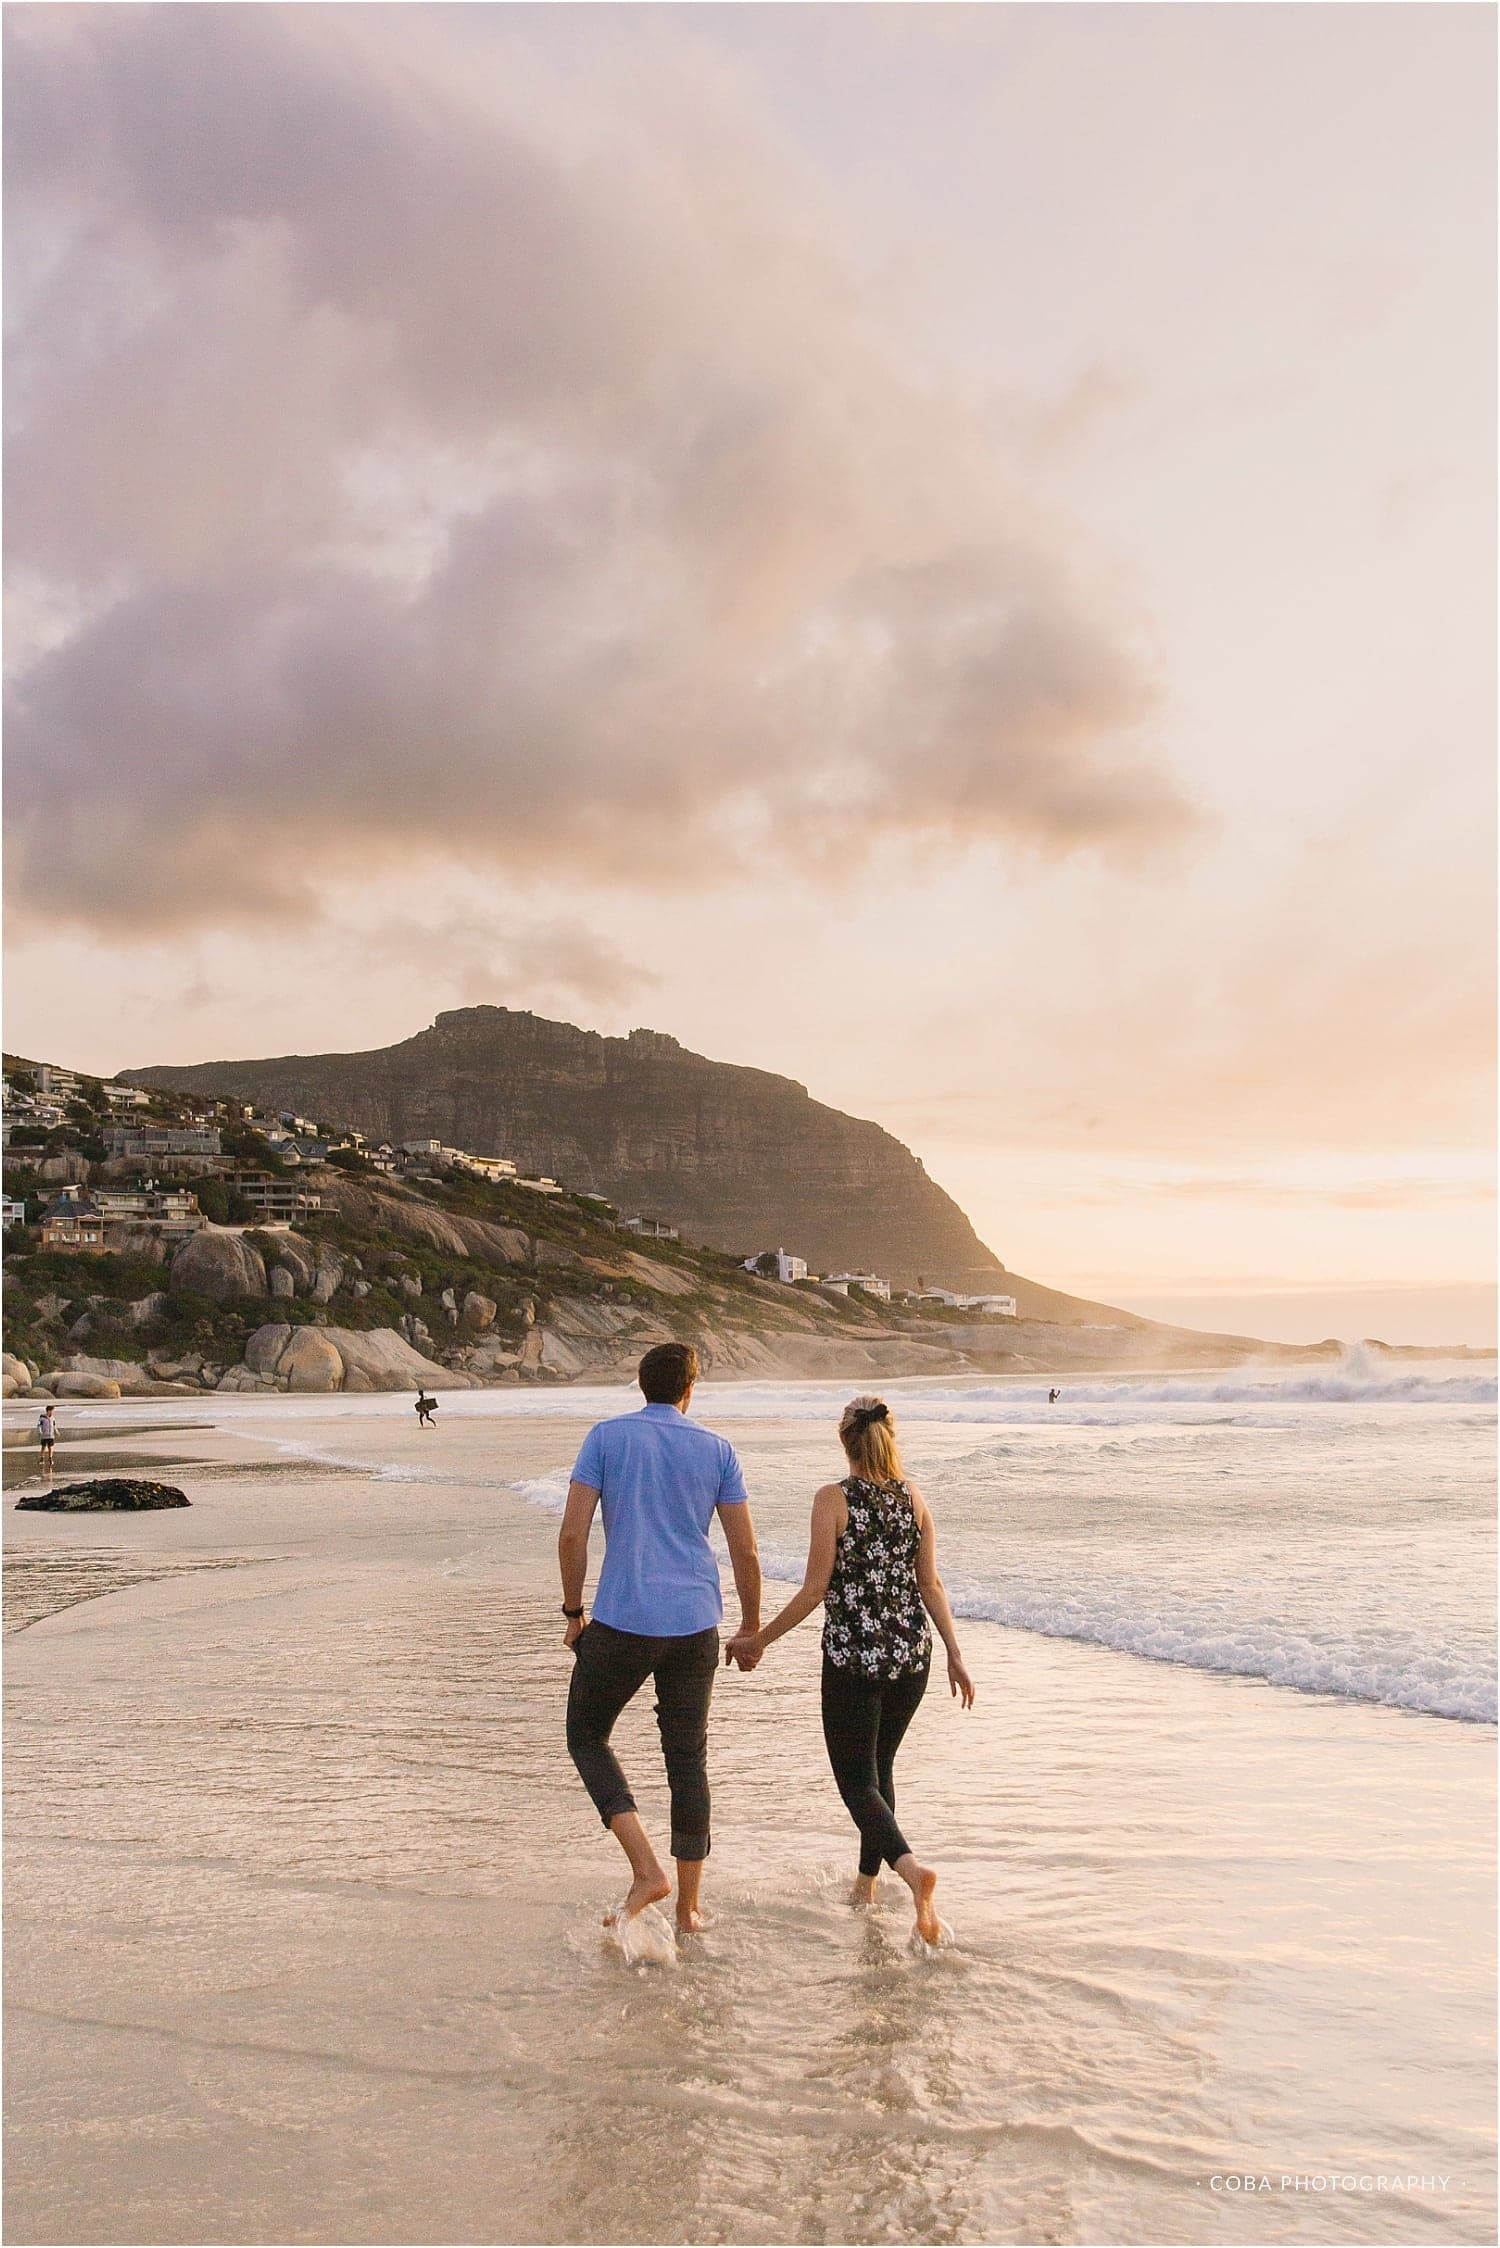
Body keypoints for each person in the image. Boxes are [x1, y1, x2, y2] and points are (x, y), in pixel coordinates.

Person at [725, 1394, 974, 1947]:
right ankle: (865, 1886)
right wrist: (955, 1653)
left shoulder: (832, 1499)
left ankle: (911, 1873)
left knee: (855, 1779)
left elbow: (816, 1589)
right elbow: (930, 1584)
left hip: (854, 1659)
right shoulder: (913, 1498)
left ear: (845, 1442)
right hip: (913, 1656)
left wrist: (758, 1639)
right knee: (880, 1770)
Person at [560, 1340, 762, 1940]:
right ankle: (688, 1911)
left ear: (640, 1385)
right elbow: (745, 1550)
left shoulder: (605, 1437)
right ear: (689, 1390)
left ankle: (646, 1869)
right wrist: (750, 1628)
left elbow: (572, 1535)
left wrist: (574, 1613)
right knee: (687, 1760)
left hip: (622, 1619)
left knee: (587, 1735)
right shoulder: (717, 1449)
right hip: (695, 1624)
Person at [36, 1403, 57, 1471]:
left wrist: (56, 1431)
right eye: (52, 1410)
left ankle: (50, 1458)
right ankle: (42, 1458)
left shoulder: (53, 1417)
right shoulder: (42, 1417)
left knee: (51, 1447)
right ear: (48, 1411)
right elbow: (39, 1425)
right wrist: (40, 1431)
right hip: (44, 1435)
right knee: (43, 1447)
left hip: (51, 1435)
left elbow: (54, 1425)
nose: (53, 1412)